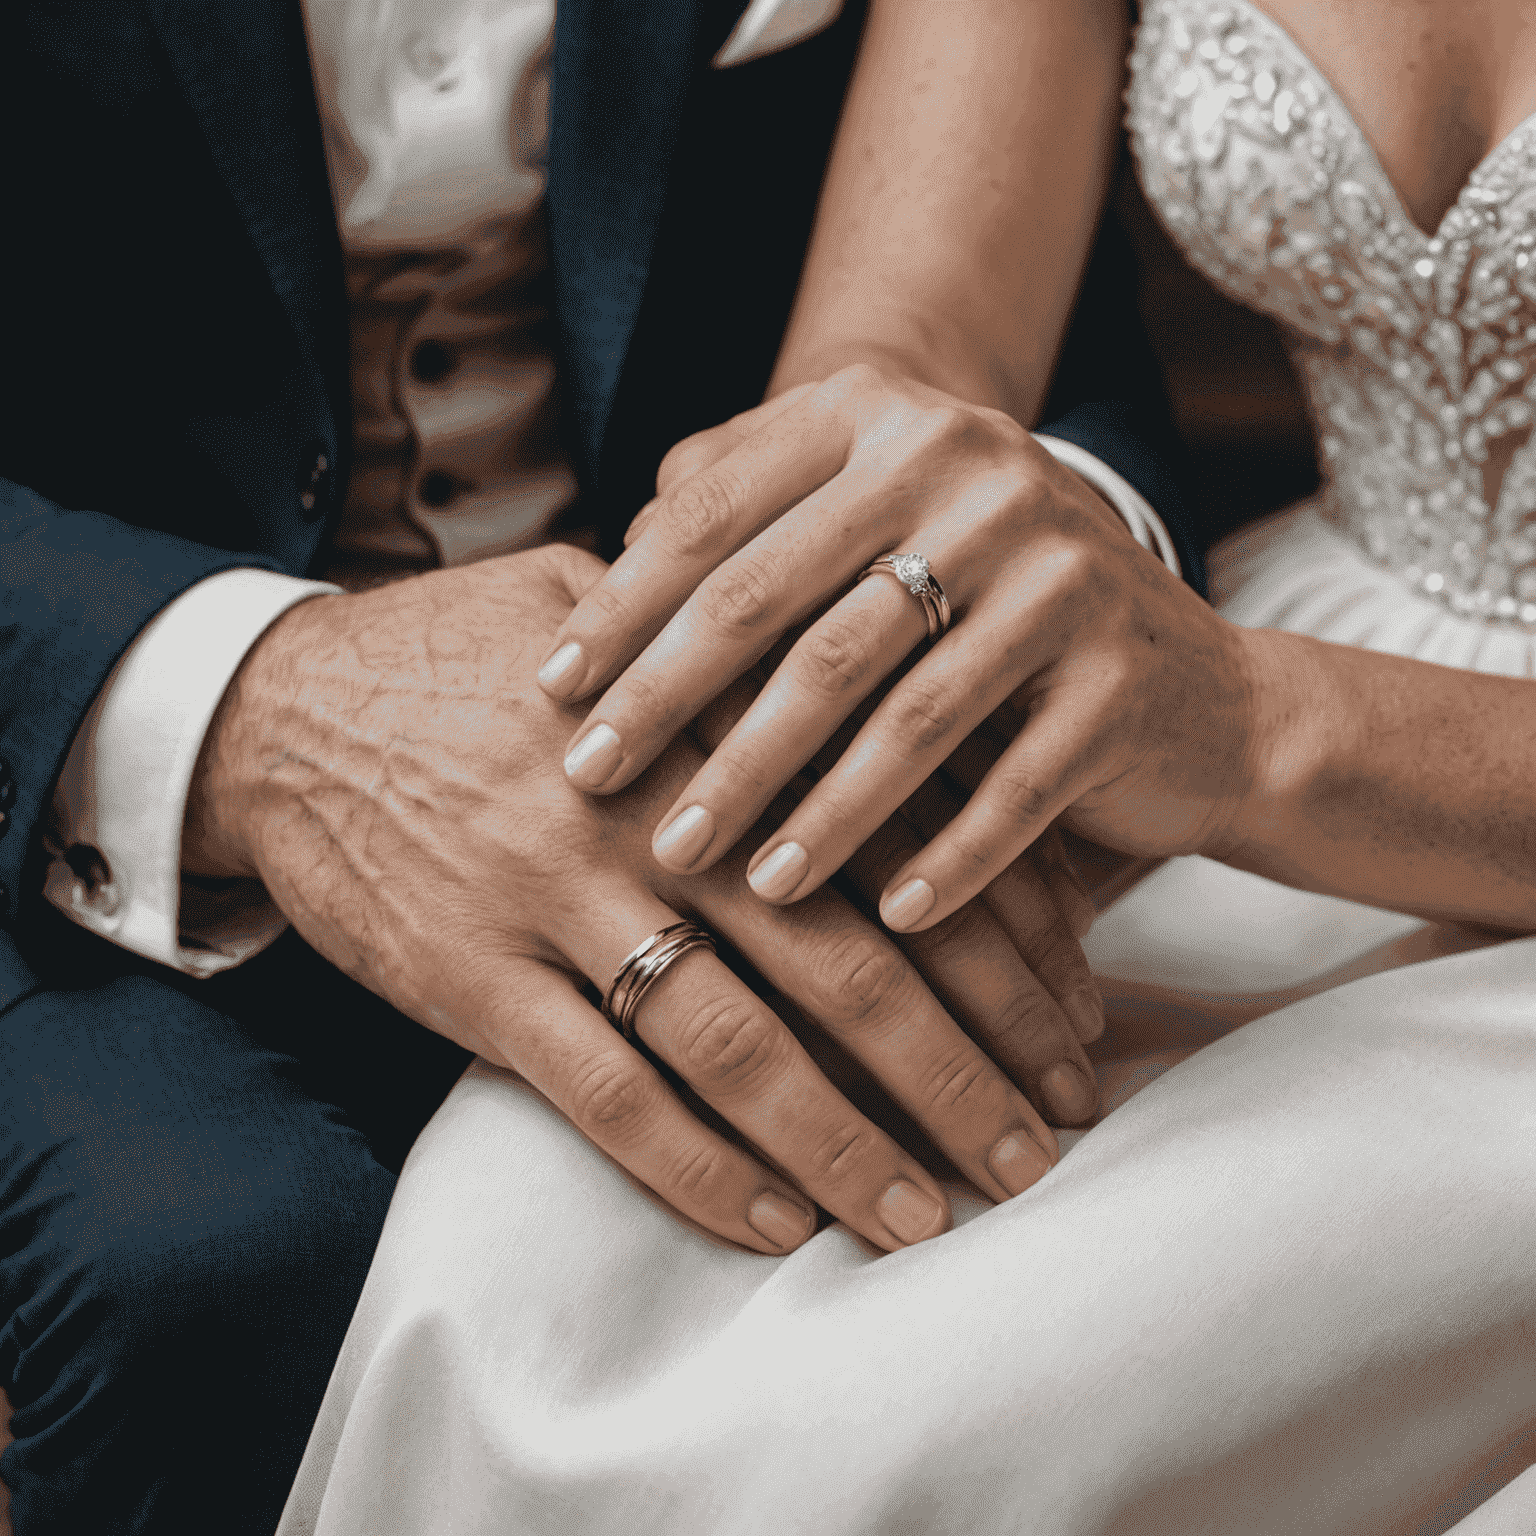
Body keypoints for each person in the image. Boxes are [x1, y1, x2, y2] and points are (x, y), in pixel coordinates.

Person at [277, 0, 1536, 1531]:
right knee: (532, 1257)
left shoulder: (1250, 717)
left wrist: (1255, 724)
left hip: (1370, 759)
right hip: (1232, 685)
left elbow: (1246, 724)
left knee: (906, 1432)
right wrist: (859, 610)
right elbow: (912, 349)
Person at [0, 0, 1196, 1529]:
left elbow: (1048, 367)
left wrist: (951, 637)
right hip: (72, 726)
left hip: (728, 749)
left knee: (1019, 1267)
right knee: (216, 1270)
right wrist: (252, 707)